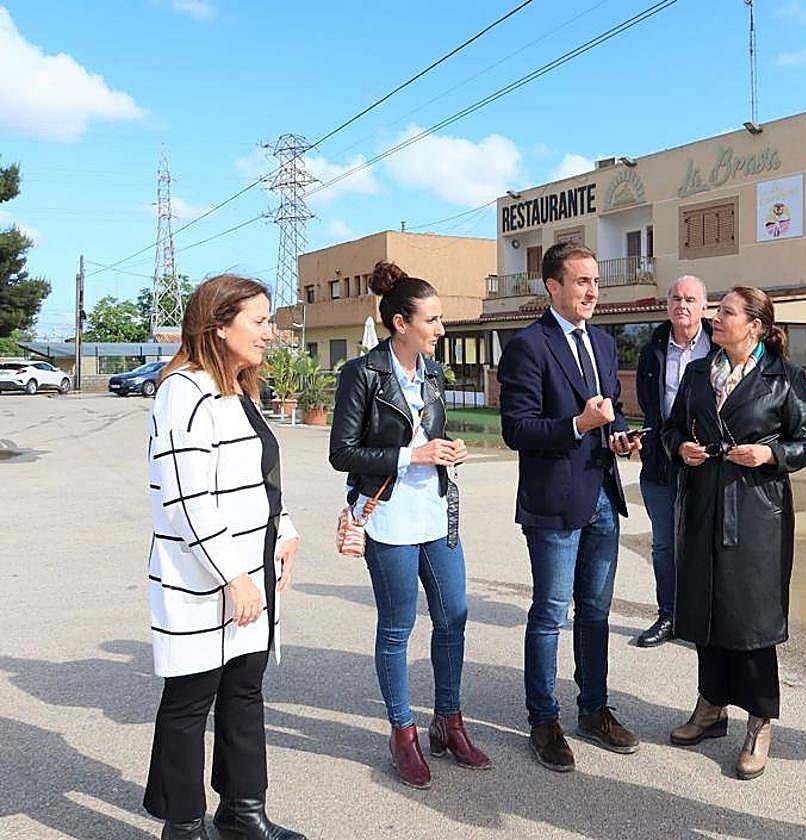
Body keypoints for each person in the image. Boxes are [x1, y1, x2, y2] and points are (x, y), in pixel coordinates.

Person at [144, 275, 304, 840]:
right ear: (218, 324)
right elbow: (186, 499)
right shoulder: (181, 393)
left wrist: (283, 532)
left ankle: (242, 810)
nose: (270, 331)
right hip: (203, 576)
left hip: (251, 568)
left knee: (244, 690)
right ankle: (183, 824)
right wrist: (233, 575)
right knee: (191, 698)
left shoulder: (241, 389)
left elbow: (259, 474)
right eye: (259, 321)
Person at [328, 261, 489, 790]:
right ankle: (403, 734)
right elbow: (342, 452)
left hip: (436, 512)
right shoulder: (363, 374)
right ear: (401, 323)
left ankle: (449, 722)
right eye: (434, 319)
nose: (441, 329)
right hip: (389, 514)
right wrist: (411, 455)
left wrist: (449, 454)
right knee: (398, 628)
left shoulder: (434, 373)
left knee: (454, 619)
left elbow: (432, 440)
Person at [663, 286, 806, 780]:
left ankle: (760, 720)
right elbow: (669, 429)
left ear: (753, 325)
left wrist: (770, 454)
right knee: (707, 606)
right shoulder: (695, 373)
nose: (715, 318)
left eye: (726, 312)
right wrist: (682, 446)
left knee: (750, 618)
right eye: (718, 311)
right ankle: (710, 707)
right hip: (705, 502)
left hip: (757, 511)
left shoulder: (785, 378)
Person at [498, 241, 642, 772]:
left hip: (603, 494)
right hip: (555, 501)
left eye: (596, 282)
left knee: (597, 613)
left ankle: (593, 709)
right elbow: (517, 429)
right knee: (550, 614)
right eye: (582, 281)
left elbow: (615, 411)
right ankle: (543, 719)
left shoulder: (604, 344)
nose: (592, 291)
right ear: (552, 286)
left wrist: (621, 436)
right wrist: (578, 426)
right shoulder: (527, 346)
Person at [633, 275, 712, 647]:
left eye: (690, 299)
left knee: (703, 544)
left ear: (703, 307)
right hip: (661, 461)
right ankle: (669, 615)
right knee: (664, 544)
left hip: (707, 462)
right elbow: (649, 405)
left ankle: (702, 620)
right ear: (667, 305)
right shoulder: (652, 348)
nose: (682, 305)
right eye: (676, 298)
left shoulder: (718, 344)